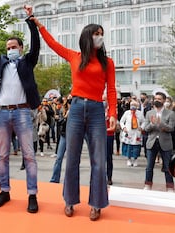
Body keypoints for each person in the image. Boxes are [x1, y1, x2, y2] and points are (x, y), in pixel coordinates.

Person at [32, 16, 117, 221]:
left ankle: (96, 204)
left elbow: (112, 90)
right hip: (77, 108)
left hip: (97, 109)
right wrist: (40, 26)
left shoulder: (108, 63)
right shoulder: (74, 57)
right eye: (96, 34)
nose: (100, 38)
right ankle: (70, 200)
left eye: (102, 35)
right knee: (72, 158)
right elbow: (53, 44)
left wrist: (112, 113)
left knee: (99, 159)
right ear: (88, 37)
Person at [0, 6, 40, 213]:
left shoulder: (27, 61)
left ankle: (32, 195)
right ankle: (4, 190)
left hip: (22, 112)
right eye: (7, 47)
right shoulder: (3, 63)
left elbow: (36, 43)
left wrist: (30, 19)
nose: (10, 50)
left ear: (21, 48)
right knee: (2, 155)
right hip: (2, 112)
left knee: (29, 155)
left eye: (13, 46)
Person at [142, 92, 175, 192]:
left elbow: (171, 128)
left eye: (159, 99)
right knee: (149, 166)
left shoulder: (170, 113)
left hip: (165, 142)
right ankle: (148, 185)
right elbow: (146, 129)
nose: (157, 100)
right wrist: (152, 124)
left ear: (164, 101)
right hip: (152, 142)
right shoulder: (149, 113)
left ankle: (170, 187)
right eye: (155, 98)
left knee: (167, 167)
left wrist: (161, 123)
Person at [119, 100, 144, 167]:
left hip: (136, 133)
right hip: (128, 132)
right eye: (132, 105)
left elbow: (144, 122)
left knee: (136, 147)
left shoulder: (140, 113)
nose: (133, 107)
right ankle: (129, 159)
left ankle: (135, 159)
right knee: (128, 147)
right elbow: (121, 121)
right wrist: (124, 127)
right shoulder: (127, 113)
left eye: (134, 105)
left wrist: (141, 127)